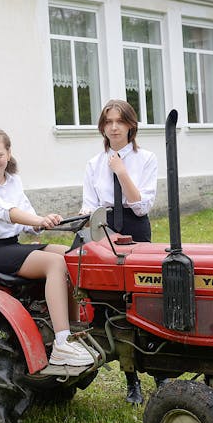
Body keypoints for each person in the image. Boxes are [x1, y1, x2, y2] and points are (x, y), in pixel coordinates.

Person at [0, 129, 94, 367]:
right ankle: (62, 344)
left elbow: (29, 218)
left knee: (72, 255)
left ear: (9, 153)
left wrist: (46, 221)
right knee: (55, 263)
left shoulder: (13, 181)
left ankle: (76, 331)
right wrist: (37, 220)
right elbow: (3, 212)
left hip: (9, 246)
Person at [81, 98, 159, 404]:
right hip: (106, 231)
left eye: (119, 121)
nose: (113, 127)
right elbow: (89, 206)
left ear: (131, 125)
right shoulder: (93, 164)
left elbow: (141, 204)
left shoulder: (146, 158)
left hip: (136, 227)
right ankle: (131, 381)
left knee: (146, 299)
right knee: (114, 304)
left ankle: (162, 376)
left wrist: (121, 170)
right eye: (108, 122)